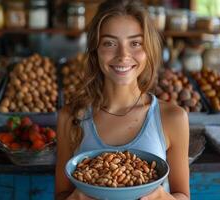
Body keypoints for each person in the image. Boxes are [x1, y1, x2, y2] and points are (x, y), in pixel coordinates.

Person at [55, 0, 190, 199]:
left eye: (135, 43)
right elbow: (61, 194)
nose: (123, 55)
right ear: (95, 50)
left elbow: (183, 195)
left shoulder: (173, 118)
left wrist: (161, 196)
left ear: (148, 50)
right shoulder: (71, 117)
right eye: (109, 43)